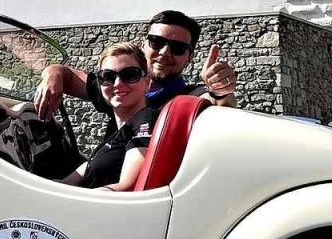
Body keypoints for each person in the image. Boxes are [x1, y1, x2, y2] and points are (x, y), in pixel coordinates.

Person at [35, 10, 237, 133]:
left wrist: (220, 91)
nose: (165, 52)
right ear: (144, 44)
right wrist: (53, 73)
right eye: (157, 42)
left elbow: (217, 105)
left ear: (189, 57)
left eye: (177, 48)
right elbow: (68, 75)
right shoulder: (122, 86)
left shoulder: (188, 97)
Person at [60, 43, 154, 191]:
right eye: (107, 76)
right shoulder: (121, 129)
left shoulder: (145, 120)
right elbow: (80, 174)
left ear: (147, 82)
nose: (117, 84)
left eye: (130, 75)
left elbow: (129, 186)